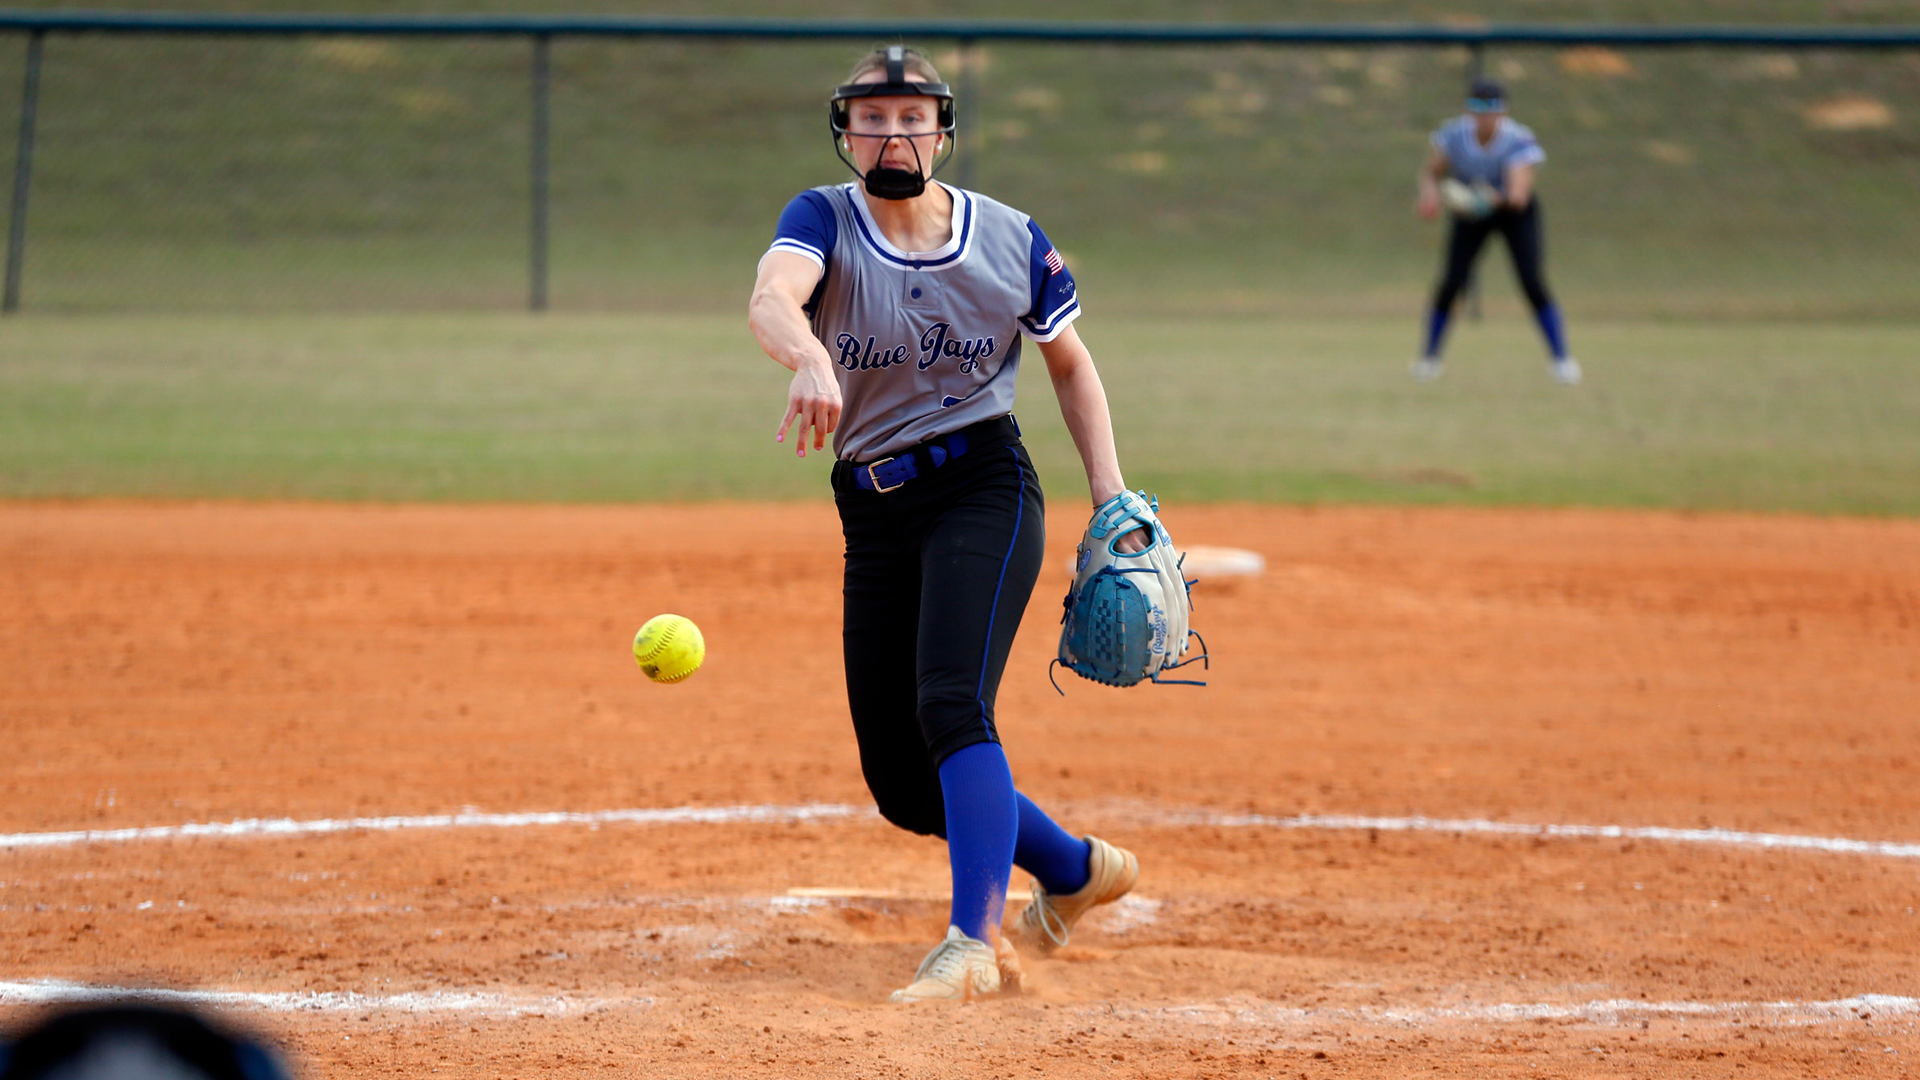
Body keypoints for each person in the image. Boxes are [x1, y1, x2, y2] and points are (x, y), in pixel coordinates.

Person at [748, 45, 1141, 1003]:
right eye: (872, 118)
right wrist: (805, 353)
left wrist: (1112, 498)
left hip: (983, 488)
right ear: (846, 132)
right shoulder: (823, 219)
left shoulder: (1008, 238)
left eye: (911, 117)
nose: (892, 133)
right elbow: (771, 295)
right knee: (900, 781)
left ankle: (972, 939)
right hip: (874, 514)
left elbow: (1071, 367)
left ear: (942, 132)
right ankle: (1076, 869)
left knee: (949, 702)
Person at [1413, 77, 1581, 385]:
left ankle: (1562, 360)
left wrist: (1485, 198)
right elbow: (1432, 172)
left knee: (1531, 281)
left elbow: (1518, 196)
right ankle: (1429, 359)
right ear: (1468, 110)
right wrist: (1430, 195)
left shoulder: (1518, 139)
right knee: (1451, 282)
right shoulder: (1453, 135)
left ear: (1503, 112)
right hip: (1471, 214)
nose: (1484, 115)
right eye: (1477, 107)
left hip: (1513, 214)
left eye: (1491, 108)